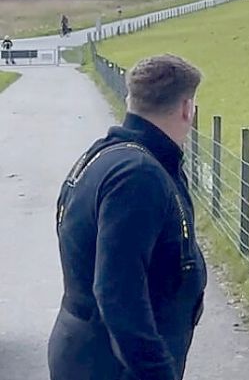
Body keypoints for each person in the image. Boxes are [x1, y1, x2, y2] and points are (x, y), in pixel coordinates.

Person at [48, 54, 207, 380]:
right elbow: (117, 293)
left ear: (130, 100)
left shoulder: (106, 156)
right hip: (113, 365)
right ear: (187, 109)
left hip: (89, 352)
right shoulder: (137, 176)